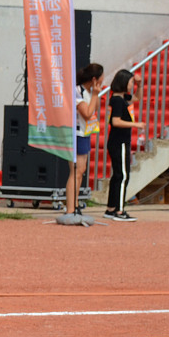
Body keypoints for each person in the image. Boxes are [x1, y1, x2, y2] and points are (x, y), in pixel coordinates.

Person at [59, 63, 104, 225]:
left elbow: (95, 109)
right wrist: (94, 96)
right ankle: (70, 208)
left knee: (82, 170)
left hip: (84, 134)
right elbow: (87, 113)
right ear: (94, 79)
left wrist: (95, 94)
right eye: (100, 78)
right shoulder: (77, 91)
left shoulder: (88, 92)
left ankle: (76, 204)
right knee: (75, 171)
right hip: (75, 134)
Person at [105, 69, 145, 221]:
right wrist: (136, 124)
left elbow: (136, 98)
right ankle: (120, 210)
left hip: (118, 141)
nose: (131, 85)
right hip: (119, 142)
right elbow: (115, 121)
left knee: (117, 175)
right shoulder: (117, 100)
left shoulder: (121, 99)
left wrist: (139, 85)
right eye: (130, 82)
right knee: (123, 176)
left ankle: (111, 208)